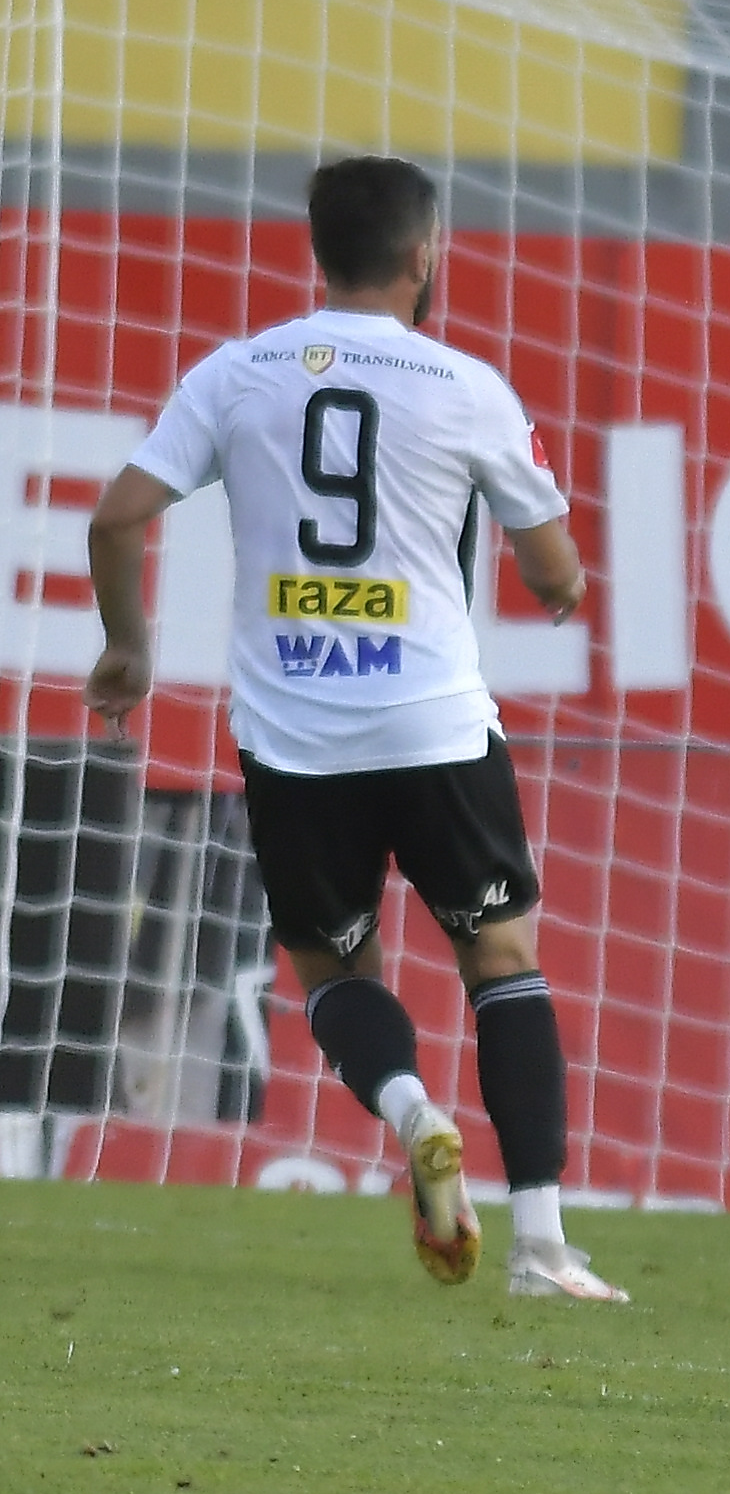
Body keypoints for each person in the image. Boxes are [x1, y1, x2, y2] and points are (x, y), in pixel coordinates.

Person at [80, 155, 619, 1301]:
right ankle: (541, 1245)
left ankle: (412, 1109)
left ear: (317, 254)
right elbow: (551, 558)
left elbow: (119, 516)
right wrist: (563, 584)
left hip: (297, 744)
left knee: (331, 968)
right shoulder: (467, 385)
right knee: (503, 961)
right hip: (432, 728)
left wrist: (126, 646)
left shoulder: (238, 373)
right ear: (426, 256)